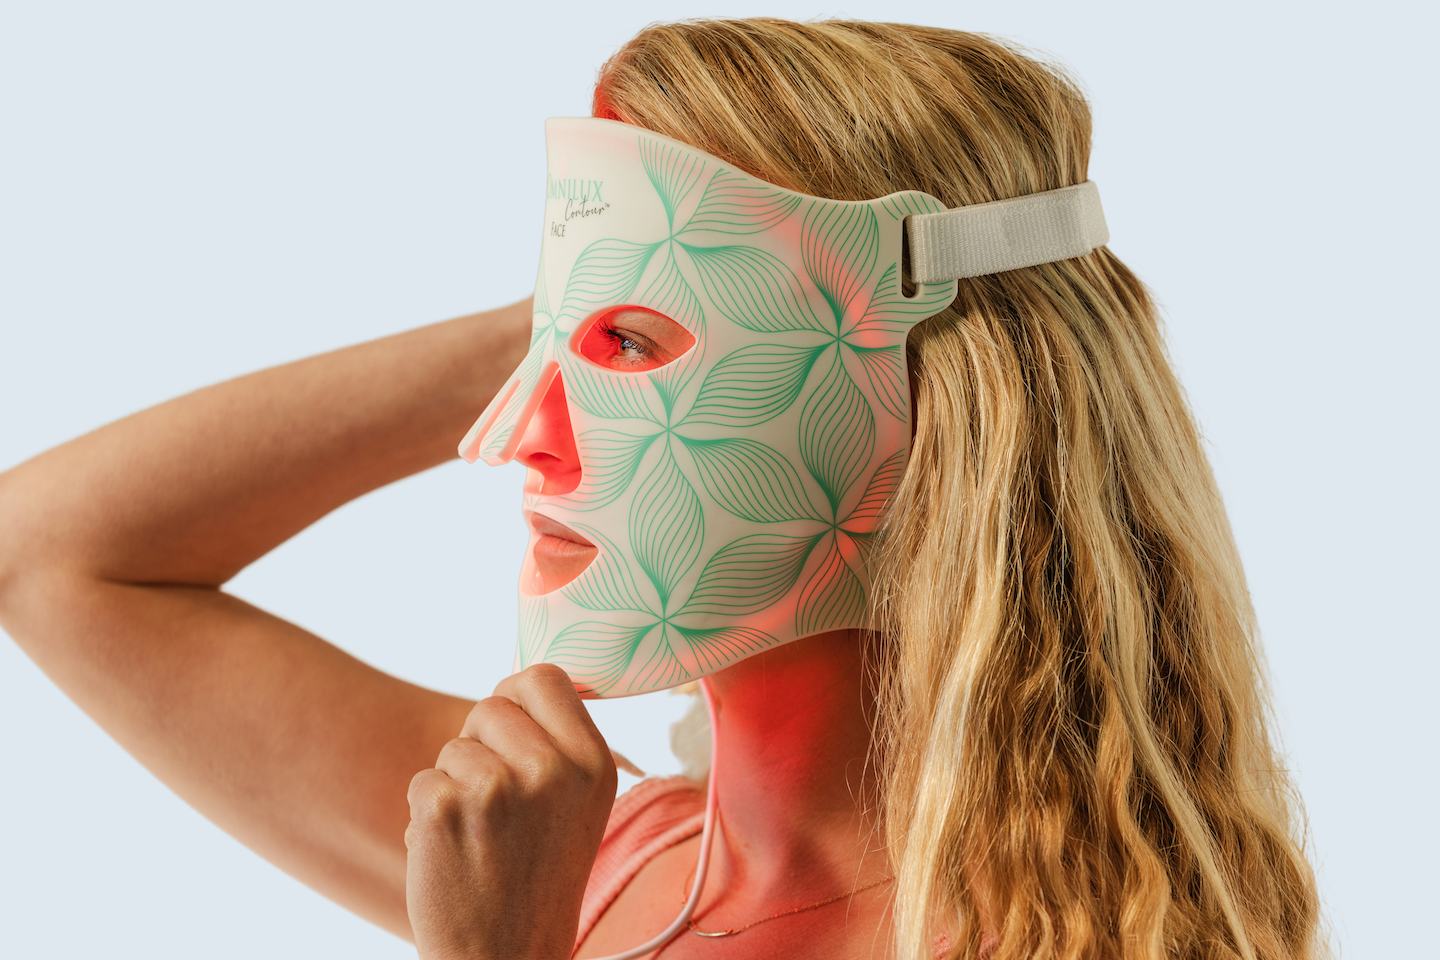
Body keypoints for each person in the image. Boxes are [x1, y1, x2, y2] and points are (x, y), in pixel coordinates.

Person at [0, 18, 1323, 960]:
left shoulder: (1062, 940)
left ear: (930, 408)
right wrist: (584, 296)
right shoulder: (596, 855)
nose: (519, 439)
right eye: (548, 347)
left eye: (632, 349)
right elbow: (44, 553)